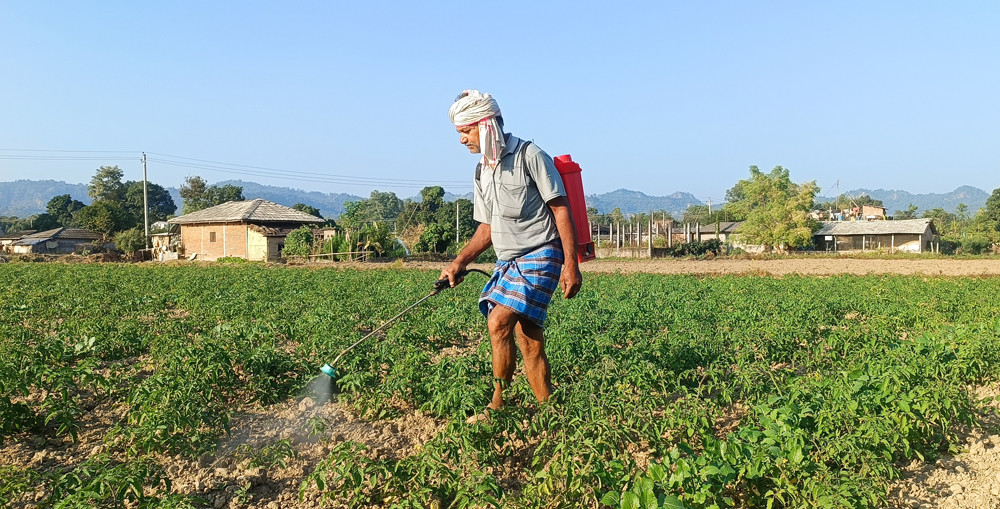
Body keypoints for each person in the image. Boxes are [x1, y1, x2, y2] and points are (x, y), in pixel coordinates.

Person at [440, 90, 583, 419]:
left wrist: (570, 266)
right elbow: (487, 229)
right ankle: (551, 412)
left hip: (542, 253)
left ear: (485, 125)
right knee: (528, 339)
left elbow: (561, 210)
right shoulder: (482, 171)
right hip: (509, 262)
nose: (462, 140)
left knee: (498, 322)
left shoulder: (529, 155)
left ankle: (497, 404)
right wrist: (459, 262)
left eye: (465, 131)